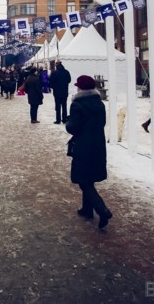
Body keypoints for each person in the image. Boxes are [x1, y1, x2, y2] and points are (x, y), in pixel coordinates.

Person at [65, 74, 113, 229]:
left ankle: (102, 210)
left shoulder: (77, 104)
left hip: (83, 146)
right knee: (89, 178)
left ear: (81, 88)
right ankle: (87, 209)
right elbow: (102, 123)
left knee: (83, 181)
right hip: (97, 144)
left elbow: (73, 127)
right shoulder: (99, 103)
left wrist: (68, 121)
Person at [49, 60, 72, 124]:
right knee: (64, 105)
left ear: (56, 65)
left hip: (57, 92)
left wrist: (53, 87)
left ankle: (58, 119)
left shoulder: (55, 73)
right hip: (65, 91)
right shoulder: (66, 72)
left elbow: (51, 82)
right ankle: (64, 119)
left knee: (58, 106)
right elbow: (69, 80)